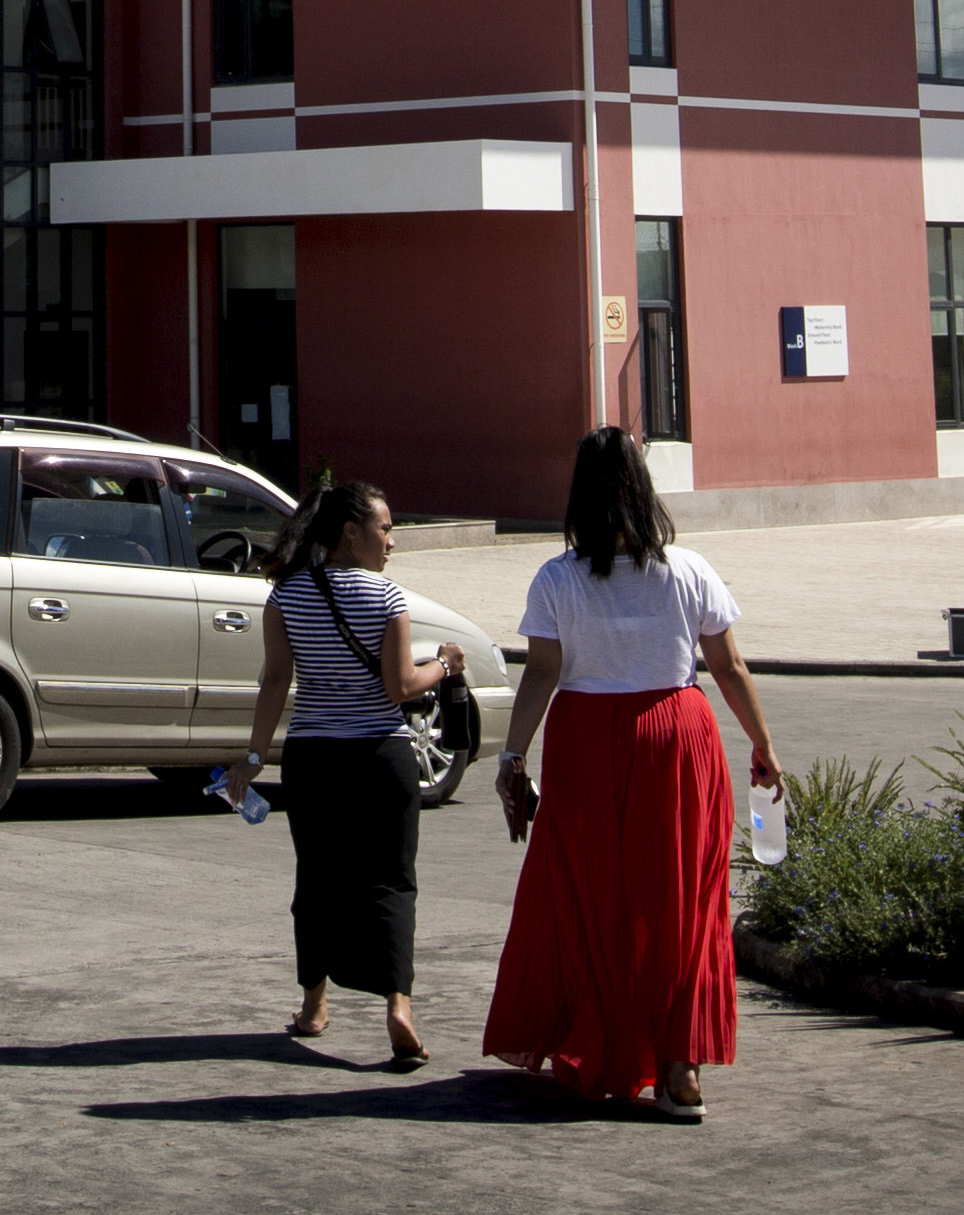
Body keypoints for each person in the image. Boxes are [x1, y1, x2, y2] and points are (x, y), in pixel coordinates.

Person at [478, 426, 782, 1119]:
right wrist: (764, 745)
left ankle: (602, 1046)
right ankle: (680, 1068)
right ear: (644, 489)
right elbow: (729, 667)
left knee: (592, 900)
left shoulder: (556, 576)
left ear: (578, 492)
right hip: (677, 735)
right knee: (685, 902)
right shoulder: (690, 568)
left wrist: (511, 755)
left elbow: (544, 672)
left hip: (585, 739)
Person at [232, 478, 469, 1069]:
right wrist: (443, 663)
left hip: (313, 759)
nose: (392, 542)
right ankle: (398, 1007)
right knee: (390, 882)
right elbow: (401, 688)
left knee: (317, 881)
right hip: (380, 759)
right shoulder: (387, 599)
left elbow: (275, 683)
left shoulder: (285, 597)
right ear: (351, 533)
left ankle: (314, 1006)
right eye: (385, 529)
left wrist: (254, 755)